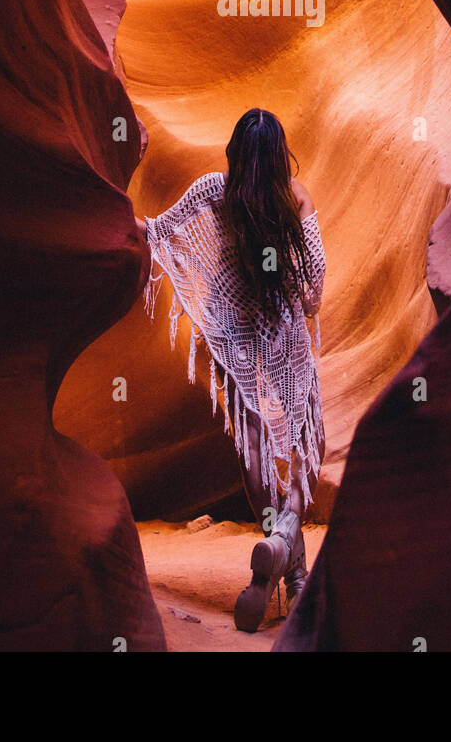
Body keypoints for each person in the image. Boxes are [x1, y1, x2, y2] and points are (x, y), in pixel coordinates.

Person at [135, 108, 326, 632]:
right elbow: (312, 294)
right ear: (280, 152)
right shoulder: (296, 197)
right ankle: (289, 554)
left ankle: (290, 572)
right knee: (308, 453)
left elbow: (158, 232)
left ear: (235, 152)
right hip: (284, 340)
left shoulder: (213, 191)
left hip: (237, 341)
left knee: (259, 458)